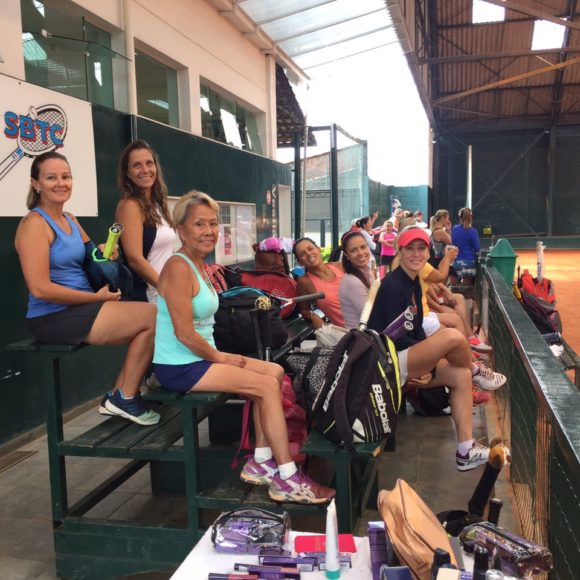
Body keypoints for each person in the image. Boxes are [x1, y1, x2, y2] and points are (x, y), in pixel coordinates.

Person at [153, 191, 335, 504]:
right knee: (264, 386)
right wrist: (221, 358)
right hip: (180, 365)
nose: (209, 231)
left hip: (200, 358)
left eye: (213, 224)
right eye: (199, 224)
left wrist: (221, 357)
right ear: (181, 229)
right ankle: (287, 477)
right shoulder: (178, 267)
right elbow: (184, 333)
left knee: (274, 371)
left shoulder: (199, 265)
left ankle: (261, 460)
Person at [15, 151, 159, 426]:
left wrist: (106, 251)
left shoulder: (69, 218)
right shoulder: (33, 224)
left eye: (66, 177)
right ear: (36, 184)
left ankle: (122, 396)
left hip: (84, 306)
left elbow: (93, 256)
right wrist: (94, 297)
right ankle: (124, 396)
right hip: (52, 316)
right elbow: (40, 289)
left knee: (154, 314)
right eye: (51, 178)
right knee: (152, 316)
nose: (61, 183)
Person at [368, 226, 507, 471]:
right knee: (452, 336)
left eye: (421, 248)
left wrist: (428, 364)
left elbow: (416, 330)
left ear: (428, 252)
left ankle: (465, 450)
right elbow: (392, 339)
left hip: (404, 357)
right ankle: (476, 370)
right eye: (409, 248)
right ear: (400, 251)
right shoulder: (393, 286)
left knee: (460, 375)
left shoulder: (413, 282)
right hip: (386, 363)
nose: (416, 254)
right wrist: (428, 364)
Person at [116, 139, 176, 303]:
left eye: (149, 163)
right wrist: (167, 289)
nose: (145, 170)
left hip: (165, 293)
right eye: (137, 165)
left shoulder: (158, 204)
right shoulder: (129, 206)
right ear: (128, 173)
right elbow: (135, 259)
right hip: (148, 297)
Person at [293, 237, 345, 329]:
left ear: (318, 249)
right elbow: (304, 310)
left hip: (368, 323)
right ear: (300, 262)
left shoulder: (340, 266)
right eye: (302, 254)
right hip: (345, 334)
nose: (308, 253)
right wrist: (313, 316)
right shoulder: (304, 282)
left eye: (310, 249)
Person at [339, 231, 373, 330]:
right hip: (362, 337)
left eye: (363, 247)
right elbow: (371, 316)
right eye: (353, 250)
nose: (361, 253)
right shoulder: (352, 281)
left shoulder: (368, 272)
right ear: (346, 255)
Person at [451, 207, 481, 285]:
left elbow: (452, 243)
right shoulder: (473, 231)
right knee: (467, 289)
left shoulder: (454, 229)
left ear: (460, 217)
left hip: (456, 263)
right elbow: (477, 248)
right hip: (469, 263)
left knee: (453, 288)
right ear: (471, 217)